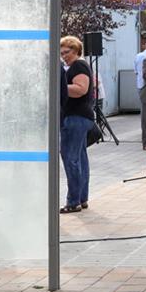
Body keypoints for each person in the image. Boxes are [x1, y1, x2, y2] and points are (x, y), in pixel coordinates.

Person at [59, 36, 95, 213]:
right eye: (62, 53)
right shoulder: (78, 65)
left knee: (70, 158)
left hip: (76, 118)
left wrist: (59, 86)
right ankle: (81, 198)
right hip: (81, 117)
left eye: (67, 52)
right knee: (80, 158)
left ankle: (73, 201)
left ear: (76, 50)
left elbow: (81, 89)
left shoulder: (79, 65)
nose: (64, 56)